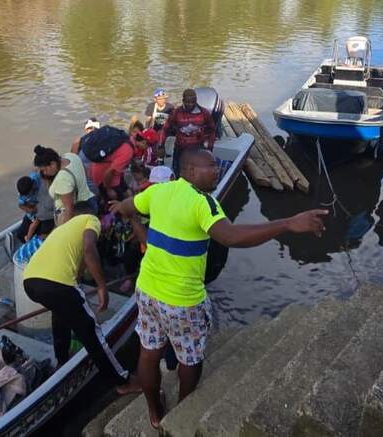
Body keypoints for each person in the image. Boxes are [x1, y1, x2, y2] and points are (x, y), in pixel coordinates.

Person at [110, 148, 327, 428]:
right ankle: (182, 409)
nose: (217, 170)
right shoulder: (204, 203)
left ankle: (154, 412)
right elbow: (232, 237)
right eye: (210, 166)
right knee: (190, 357)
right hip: (182, 301)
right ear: (189, 171)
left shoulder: (158, 192)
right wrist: (287, 222)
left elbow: (128, 207)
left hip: (147, 291)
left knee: (149, 353)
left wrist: (128, 218)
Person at [23, 201, 140, 394]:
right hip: (56, 283)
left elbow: (77, 263)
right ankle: (122, 382)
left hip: (30, 281)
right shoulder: (91, 220)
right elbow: (88, 250)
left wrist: (76, 285)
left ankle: (61, 359)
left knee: (60, 312)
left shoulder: (62, 229)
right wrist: (102, 286)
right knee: (91, 332)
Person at [33, 146, 95, 225]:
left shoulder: (62, 179)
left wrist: (63, 229)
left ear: (52, 164)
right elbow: (85, 172)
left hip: (77, 214)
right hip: (89, 199)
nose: (44, 173)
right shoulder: (70, 156)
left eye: (44, 170)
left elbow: (69, 209)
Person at [160, 89, 217, 175]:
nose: (190, 105)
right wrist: (161, 145)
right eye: (187, 102)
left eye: (193, 102)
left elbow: (212, 129)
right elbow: (165, 129)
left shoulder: (204, 113)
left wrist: (209, 147)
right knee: (178, 172)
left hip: (198, 148)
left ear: (196, 101)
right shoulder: (176, 112)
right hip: (180, 148)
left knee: (197, 173)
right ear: (183, 101)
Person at [15, 173, 54, 243]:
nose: (26, 196)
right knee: (20, 234)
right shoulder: (22, 195)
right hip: (34, 212)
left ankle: (30, 239)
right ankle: (28, 243)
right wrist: (31, 210)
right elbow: (21, 205)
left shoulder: (37, 179)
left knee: (41, 232)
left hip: (47, 212)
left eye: (28, 194)